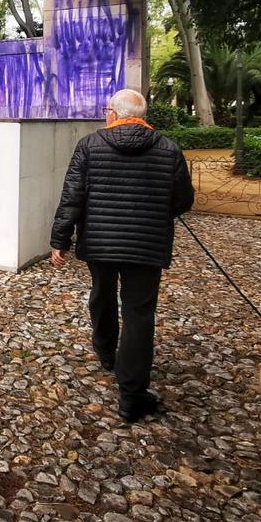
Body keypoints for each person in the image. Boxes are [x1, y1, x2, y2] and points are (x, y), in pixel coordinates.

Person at [50, 88, 194, 423]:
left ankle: (106, 352)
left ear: (113, 114)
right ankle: (132, 396)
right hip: (146, 246)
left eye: (106, 111)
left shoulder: (89, 146)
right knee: (139, 315)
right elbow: (183, 200)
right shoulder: (169, 150)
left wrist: (60, 239)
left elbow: (72, 197)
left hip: (100, 242)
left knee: (102, 295)